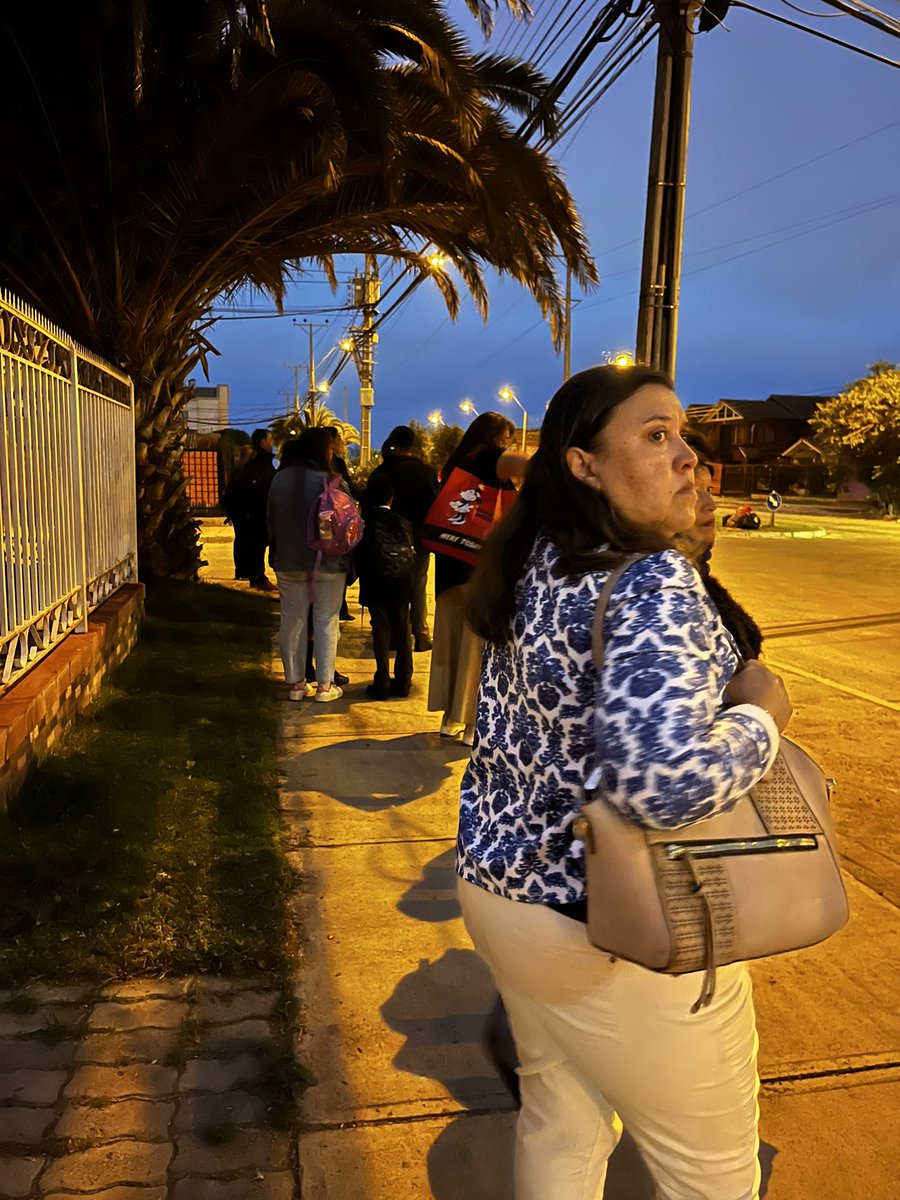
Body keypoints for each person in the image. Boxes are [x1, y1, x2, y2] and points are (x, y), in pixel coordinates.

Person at [458, 365, 792, 1200]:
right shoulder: (648, 580)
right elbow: (662, 785)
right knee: (712, 1173)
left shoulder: (539, 561)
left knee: (562, 1126)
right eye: (654, 435)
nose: (688, 457)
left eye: (683, 435)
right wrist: (762, 716)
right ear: (584, 464)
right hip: (617, 921)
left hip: (504, 897)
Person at [427, 412, 526, 744]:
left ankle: (448, 718)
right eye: (507, 438)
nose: (509, 444)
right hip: (477, 569)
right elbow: (518, 466)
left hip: (449, 569)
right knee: (476, 649)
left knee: (449, 645)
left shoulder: (457, 462)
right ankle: (472, 724)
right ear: (496, 437)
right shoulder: (490, 458)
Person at [267, 429, 353, 703]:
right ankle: (325, 687)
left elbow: (271, 521)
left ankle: (296, 685)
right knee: (326, 620)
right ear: (324, 451)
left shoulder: (280, 479)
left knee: (293, 619)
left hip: (289, 560)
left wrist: (276, 550)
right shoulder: (334, 481)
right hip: (328, 561)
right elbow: (348, 524)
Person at [679, 430, 763, 660]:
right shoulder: (665, 596)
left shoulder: (697, 582)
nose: (711, 504)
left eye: (708, 490)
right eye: (694, 491)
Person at [370, 425, 440, 651]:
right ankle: (420, 635)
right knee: (417, 586)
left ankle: (393, 636)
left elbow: (369, 508)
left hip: (383, 544)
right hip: (418, 541)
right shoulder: (424, 471)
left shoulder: (382, 471)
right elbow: (436, 504)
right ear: (412, 445)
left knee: (390, 589)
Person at [357, 474, 416, 699]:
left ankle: (381, 681)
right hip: (402, 581)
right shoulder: (403, 522)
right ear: (391, 498)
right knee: (402, 628)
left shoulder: (366, 522)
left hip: (376, 580)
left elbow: (360, 555)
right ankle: (404, 681)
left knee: (381, 627)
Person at [235, 428, 277, 590]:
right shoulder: (257, 464)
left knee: (259, 545)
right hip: (258, 512)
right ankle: (258, 577)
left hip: (260, 511)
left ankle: (257, 576)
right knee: (258, 545)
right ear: (262, 442)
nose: (273, 443)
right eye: (270, 439)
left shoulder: (261, 462)